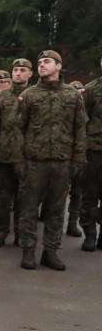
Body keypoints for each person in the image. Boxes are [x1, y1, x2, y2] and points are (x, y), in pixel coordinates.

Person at [15, 50, 86, 270]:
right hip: (34, 162)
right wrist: (19, 161)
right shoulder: (29, 95)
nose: (42, 65)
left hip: (62, 162)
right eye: (39, 62)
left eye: (47, 62)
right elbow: (17, 129)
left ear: (58, 66)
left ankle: (51, 252)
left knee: (55, 211)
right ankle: (28, 251)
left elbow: (80, 128)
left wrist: (77, 160)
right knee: (28, 209)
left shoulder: (72, 95)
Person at [0, 67, 21, 247]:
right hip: (4, 155)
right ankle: (0, 232)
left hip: (25, 156)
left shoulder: (31, 95)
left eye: (23, 70)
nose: (19, 73)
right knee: (2, 197)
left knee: (24, 200)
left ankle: (20, 233)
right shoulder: (1, 98)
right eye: (16, 70)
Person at [79, 50, 102, 252]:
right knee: (90, 194)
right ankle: (90, 234)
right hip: (94, 149)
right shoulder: (91, 89)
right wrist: (82, 150)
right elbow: (81, 121)